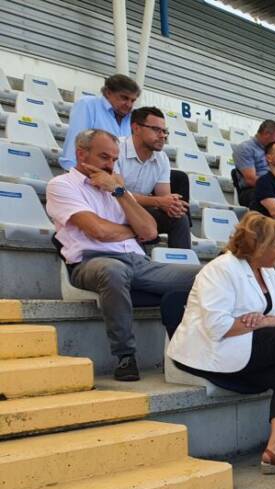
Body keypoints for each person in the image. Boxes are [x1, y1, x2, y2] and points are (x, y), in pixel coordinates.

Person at [45, 129, 199, 381]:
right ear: (81, 154)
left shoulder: (116, 186)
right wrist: (132, 232)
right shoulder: (61, 185)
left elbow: (149, 231)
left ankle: (195, 350)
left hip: (138, 262)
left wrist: (119, 192)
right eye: (104, 157)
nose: (110, 165)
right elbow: (98, 231)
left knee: (207, 274)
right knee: (113, 271)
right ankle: (125, 356)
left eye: (114, 159)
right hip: (91, 261)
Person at [167, 213, 275, 469]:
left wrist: (266, 321)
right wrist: (266, 322)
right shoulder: (221, 269)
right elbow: (217, 327)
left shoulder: (269, 274)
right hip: (208, 350)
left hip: (243, 345)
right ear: (260, 246)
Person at [115, 106, 190, 249]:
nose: (163, 136)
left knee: (179, 218)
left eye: (164, 131)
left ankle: (182, 265)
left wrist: (173, 205)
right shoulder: (116, 149)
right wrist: (158, 201)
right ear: (136, 128)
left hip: (140, 211)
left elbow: (165, 199)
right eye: (156, 130)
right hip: (113, 208)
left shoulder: (162, 158)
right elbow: (117, 193)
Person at [60, 74, 140, 170]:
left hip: (117, 179)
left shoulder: (134, 116)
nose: (129, 104)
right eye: (124, 98)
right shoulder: (87, 105)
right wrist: (72, 173)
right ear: (108, 92)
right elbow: (75, 142)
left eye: (133, 100)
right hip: (85, 175)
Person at [233, 119, 275, 207]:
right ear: (266, 134)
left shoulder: (271, 150)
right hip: (252, 190)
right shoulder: (246, 148)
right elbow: (250, 180)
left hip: (271, 188)